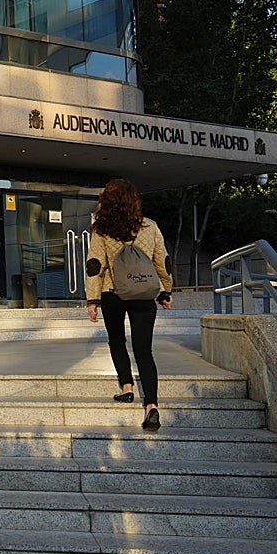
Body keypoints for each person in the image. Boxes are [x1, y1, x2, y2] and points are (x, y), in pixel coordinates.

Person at [84, 179, 172, 432]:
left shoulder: (101, 230)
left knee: (117, 340)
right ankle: (152, 406)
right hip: (144, 294)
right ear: (134, 200)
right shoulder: (150, 227)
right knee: (144, 351)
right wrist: (165, 290)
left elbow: (95, 266)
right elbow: (162, 261)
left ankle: (127, 388)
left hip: (113, 294)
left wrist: (93, 300)